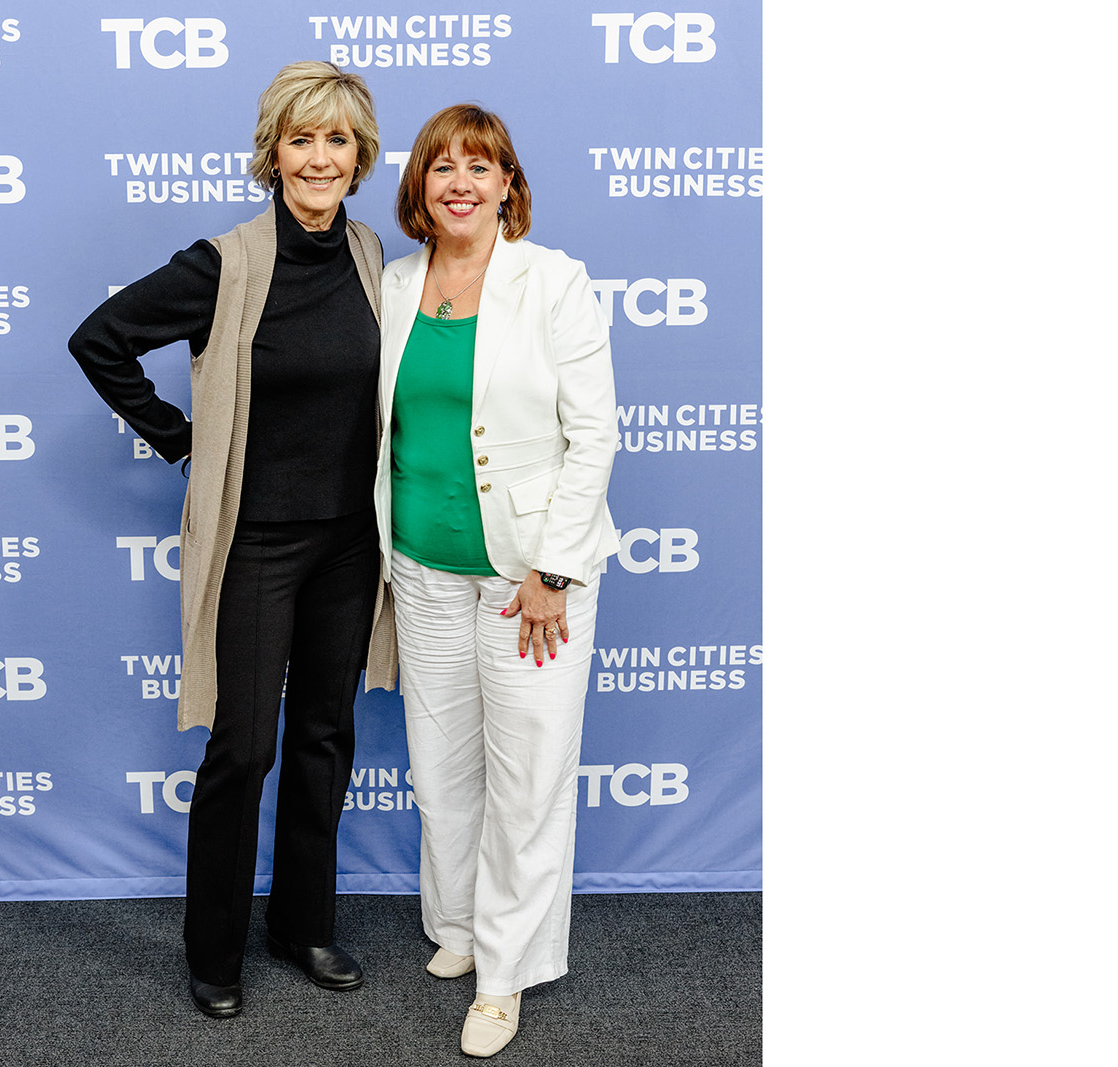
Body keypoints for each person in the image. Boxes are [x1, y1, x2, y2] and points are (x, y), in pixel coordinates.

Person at [67, 61, 395, 1021]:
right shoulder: (225, 263)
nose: (320, 158)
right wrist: (181, 438)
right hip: (257, 544)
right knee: (243, 747)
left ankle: (303, 923)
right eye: (302, 139)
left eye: (337, 140)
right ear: (273, 155)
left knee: (326, 737)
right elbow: (100, 339)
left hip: (351, 544)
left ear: (360, 156)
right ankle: (213, 949)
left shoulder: (371, 251)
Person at [374, 104, 620, 1058]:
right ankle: (462, 927)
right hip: (421, 568)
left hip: (531, 580)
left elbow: (593, 434)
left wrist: (555, 568)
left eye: (481, 167)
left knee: (527, 778)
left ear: (508, 184)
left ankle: (506, 973)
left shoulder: (553, 281)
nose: (461, 183)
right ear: (420, 188)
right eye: (443, 167)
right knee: (441, 771)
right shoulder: (395, 283)